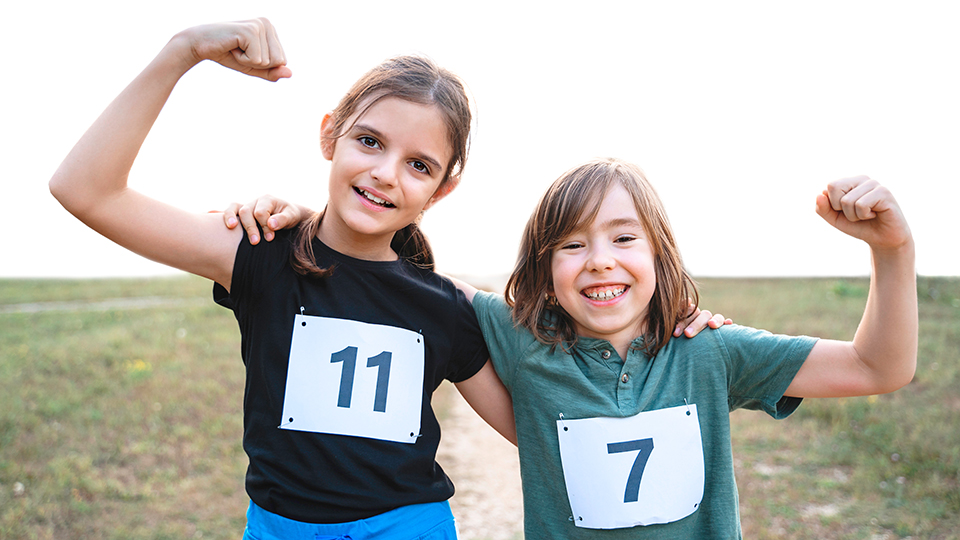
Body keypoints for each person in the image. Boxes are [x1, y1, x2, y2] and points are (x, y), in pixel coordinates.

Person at [230, 158, 916, 538]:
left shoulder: (713, 352)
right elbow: (392, 278)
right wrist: (306, 225)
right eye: (572, 244)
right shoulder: (516, 335)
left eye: (623, 238)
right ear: (543, 268)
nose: (599, 262)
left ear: (658, 254)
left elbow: (879, 366)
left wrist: (893, 250)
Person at [48, 17, 520, 539]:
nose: (386, 172)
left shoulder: (446, 306)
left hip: (410, 526)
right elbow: (85, 190)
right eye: (369, 141)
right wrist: (182, 51)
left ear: (441, 191)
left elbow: (535, 432)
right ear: (329, 136)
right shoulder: (258, 253)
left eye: (419, 165)